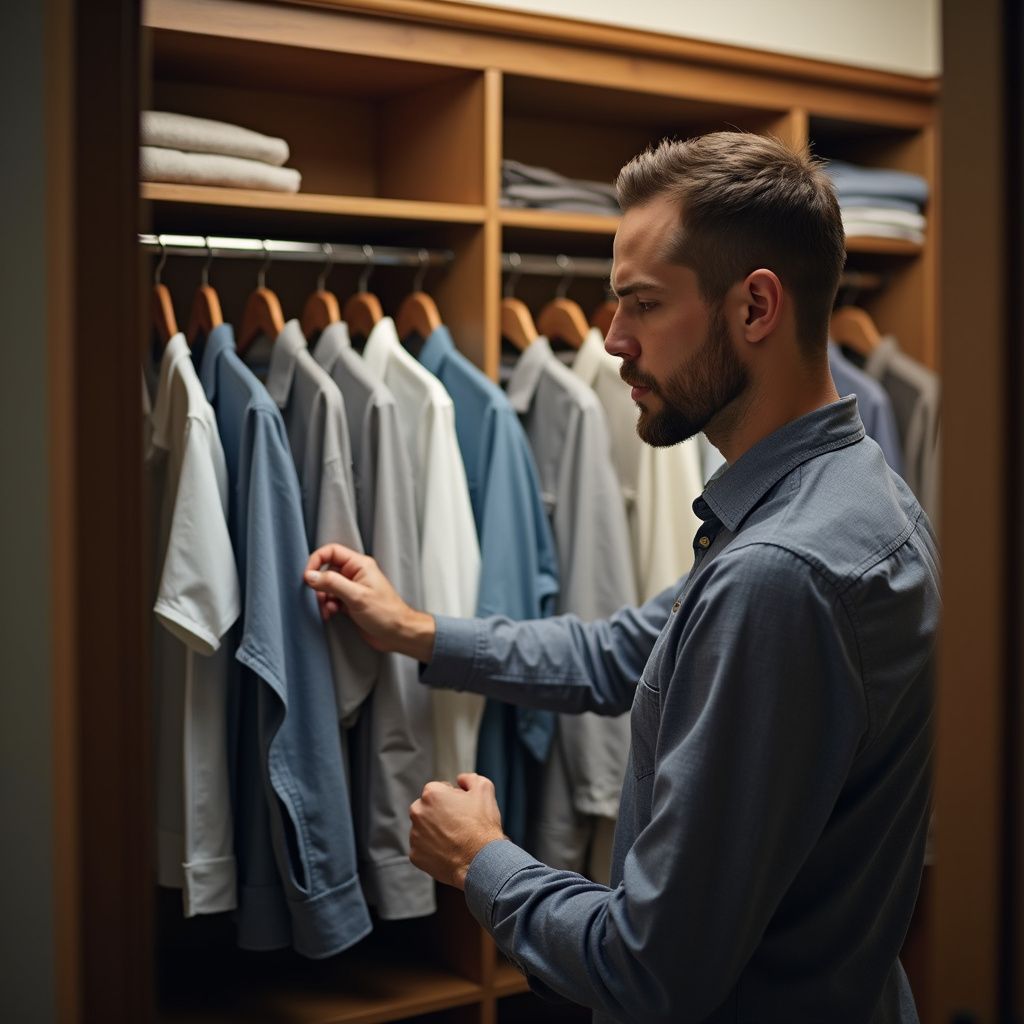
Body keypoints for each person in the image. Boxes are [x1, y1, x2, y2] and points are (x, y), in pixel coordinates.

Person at [303, 133, 938, 1024]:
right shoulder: (855, 496)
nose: (611, 341)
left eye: (643, 304)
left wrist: (482, 859)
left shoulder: (779, 574)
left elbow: (648, 968)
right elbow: (619, 653)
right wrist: (415, 630)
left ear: (756, 306)